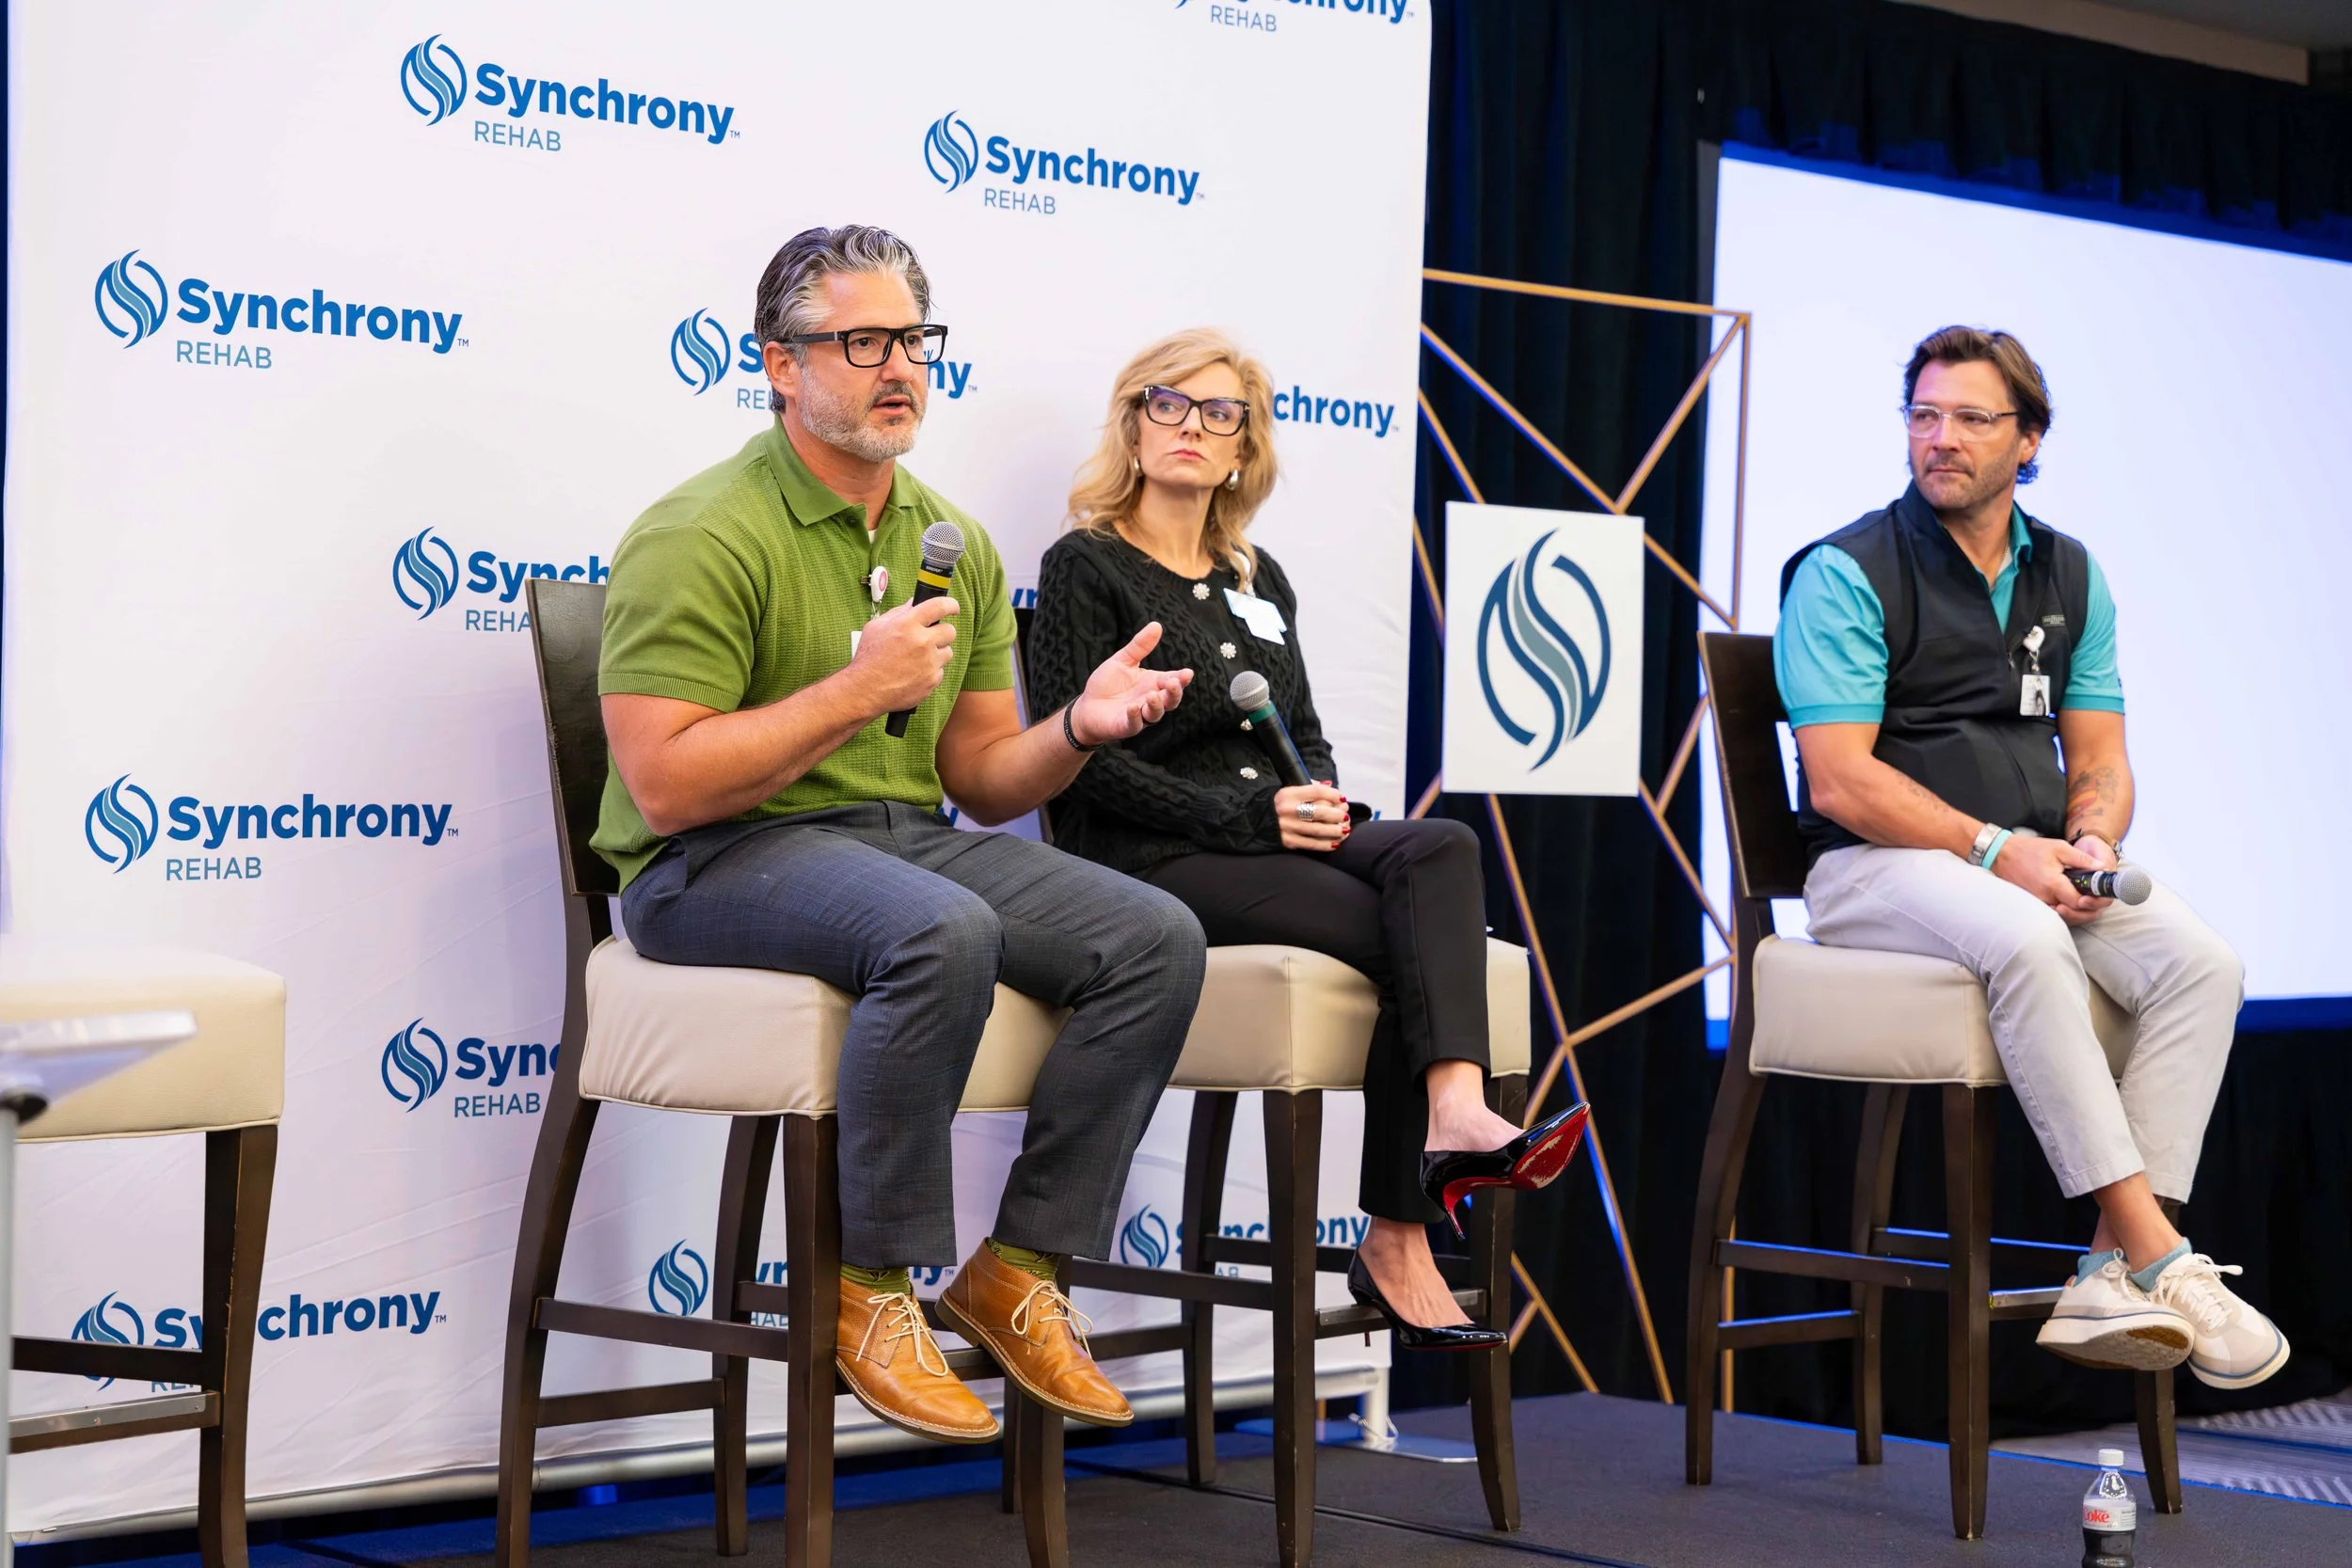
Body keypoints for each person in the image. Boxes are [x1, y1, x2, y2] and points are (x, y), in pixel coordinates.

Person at [592, 226, 1209, 1443]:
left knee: (1157, 937)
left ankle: (1019, 1266)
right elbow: (663, 785)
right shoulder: (700, 530)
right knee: (943, 927)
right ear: (780, 363)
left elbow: (980, 778)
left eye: (913, 341)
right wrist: (853, 690)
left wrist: (1077, 726)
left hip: (895, 836)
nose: (899, 368)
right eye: (860, 341)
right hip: (710, 857)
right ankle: (871, 1291)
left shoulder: (951, 541)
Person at [1026, 329, 1585, 1349]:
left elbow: (1303, 731)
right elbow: (1081, 766)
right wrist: (1251, 817)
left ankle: (1453, 1114)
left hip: (1266, 839)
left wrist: (1316, 797)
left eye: (1219, 411)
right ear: (1133, 425)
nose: (1191, 426)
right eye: (1168, 404)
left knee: (1441, 846)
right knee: (1395, 934)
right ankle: (1402, 1229)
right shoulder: (1086, 565)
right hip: (1144, 861)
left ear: (1244, 446)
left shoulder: (1258, 572)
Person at [1775, 325, 2284, 1389]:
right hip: (1871, 868)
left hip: (2029, 862)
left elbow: (2098, 756)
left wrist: (2092, 837)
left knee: (2203, 963)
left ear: (2029, 440)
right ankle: (2157, 1252)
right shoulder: (1845, 571)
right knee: (2026, 939)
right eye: (1923, 415)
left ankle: (2106, 1267)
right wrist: (1999, 848)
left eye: (1970, 417)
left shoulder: (2069, 571)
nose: (1939, 438)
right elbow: (1837, 781)